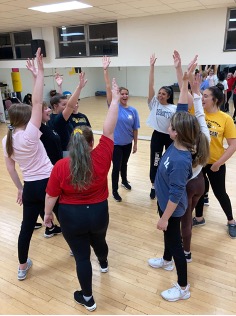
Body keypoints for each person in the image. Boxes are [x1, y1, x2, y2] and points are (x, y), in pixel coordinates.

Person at [44, 78, 120, 312]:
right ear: (91, 141)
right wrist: (115, 100)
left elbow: (51, 196)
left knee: (81, 258)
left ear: (72, 142)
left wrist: (47, 216)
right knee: (100, 240)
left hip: (71, 217)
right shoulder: (102, 155)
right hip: (98, 213)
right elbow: (109, 128)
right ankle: (105, 264)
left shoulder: (61, 166)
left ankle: (88, 298)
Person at [148, 69, 209, 302]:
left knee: (176, 244)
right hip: (165, 204)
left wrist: (164, 218)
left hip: (173, 209)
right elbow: (182, 108)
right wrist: (183, 79)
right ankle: (165, 261)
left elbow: (176, 193)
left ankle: (183, 287)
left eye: (170, 127)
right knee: (168, 239)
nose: (168, 128)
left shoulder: (182, 159)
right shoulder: (179, 143)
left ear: (177, 133)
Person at [2, 48, 61, 281]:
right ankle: (78, 250)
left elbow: (10, 169)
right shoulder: (30, 134)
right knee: (63, 216)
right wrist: (39, 72)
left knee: (26, 228)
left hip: (31, 188)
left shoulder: (6, 140)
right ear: (25, 119)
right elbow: (37, 101)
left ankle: (22, 266)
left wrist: (20, 188)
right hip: (49, 182)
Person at [193, 84, 236, 238]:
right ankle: (199, 218)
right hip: (198, 162)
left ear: (215, 100)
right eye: (202, 95)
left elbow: (233, 145)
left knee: (220, 192)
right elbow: (189, 95)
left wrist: (218, 163)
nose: (202, 98)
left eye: (205, 96)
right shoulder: (198, 113)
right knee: (198, 191)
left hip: (215, 164)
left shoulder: (226, 119)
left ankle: (231, 221)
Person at [103, 56, 140, 202]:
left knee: (124, 164)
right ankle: (114, 190)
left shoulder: (133, 111)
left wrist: (136, 143)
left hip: (127, 144)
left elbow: (135, 129)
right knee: (116, 166)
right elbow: (107, 88)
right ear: (118, 95)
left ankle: (124, 181)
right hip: (116, 144)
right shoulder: (114, 106)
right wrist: (105, 70)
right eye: (121, 93)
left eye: (126, 94)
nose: (124, 95)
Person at [147, 53, 176, 199]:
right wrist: (152, 66)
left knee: (169, 161)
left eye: (163, 94)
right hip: (157, 136)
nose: (160, 95)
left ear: (169, 96)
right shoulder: (154, 104)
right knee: (156, 160)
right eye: (159, 93)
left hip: (170, 138)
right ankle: (153, 185)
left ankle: (168, 183)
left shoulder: (174, 109)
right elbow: (151, 84)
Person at [47, 72, 87, 155]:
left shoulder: (52, 116)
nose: (66, 106)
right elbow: (70, 106)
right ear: (55, 106)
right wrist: (79, 88)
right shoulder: (58, 120)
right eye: (64, 105)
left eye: (66, 103)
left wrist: (59, 87)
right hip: (66, 152)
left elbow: (59, 101)